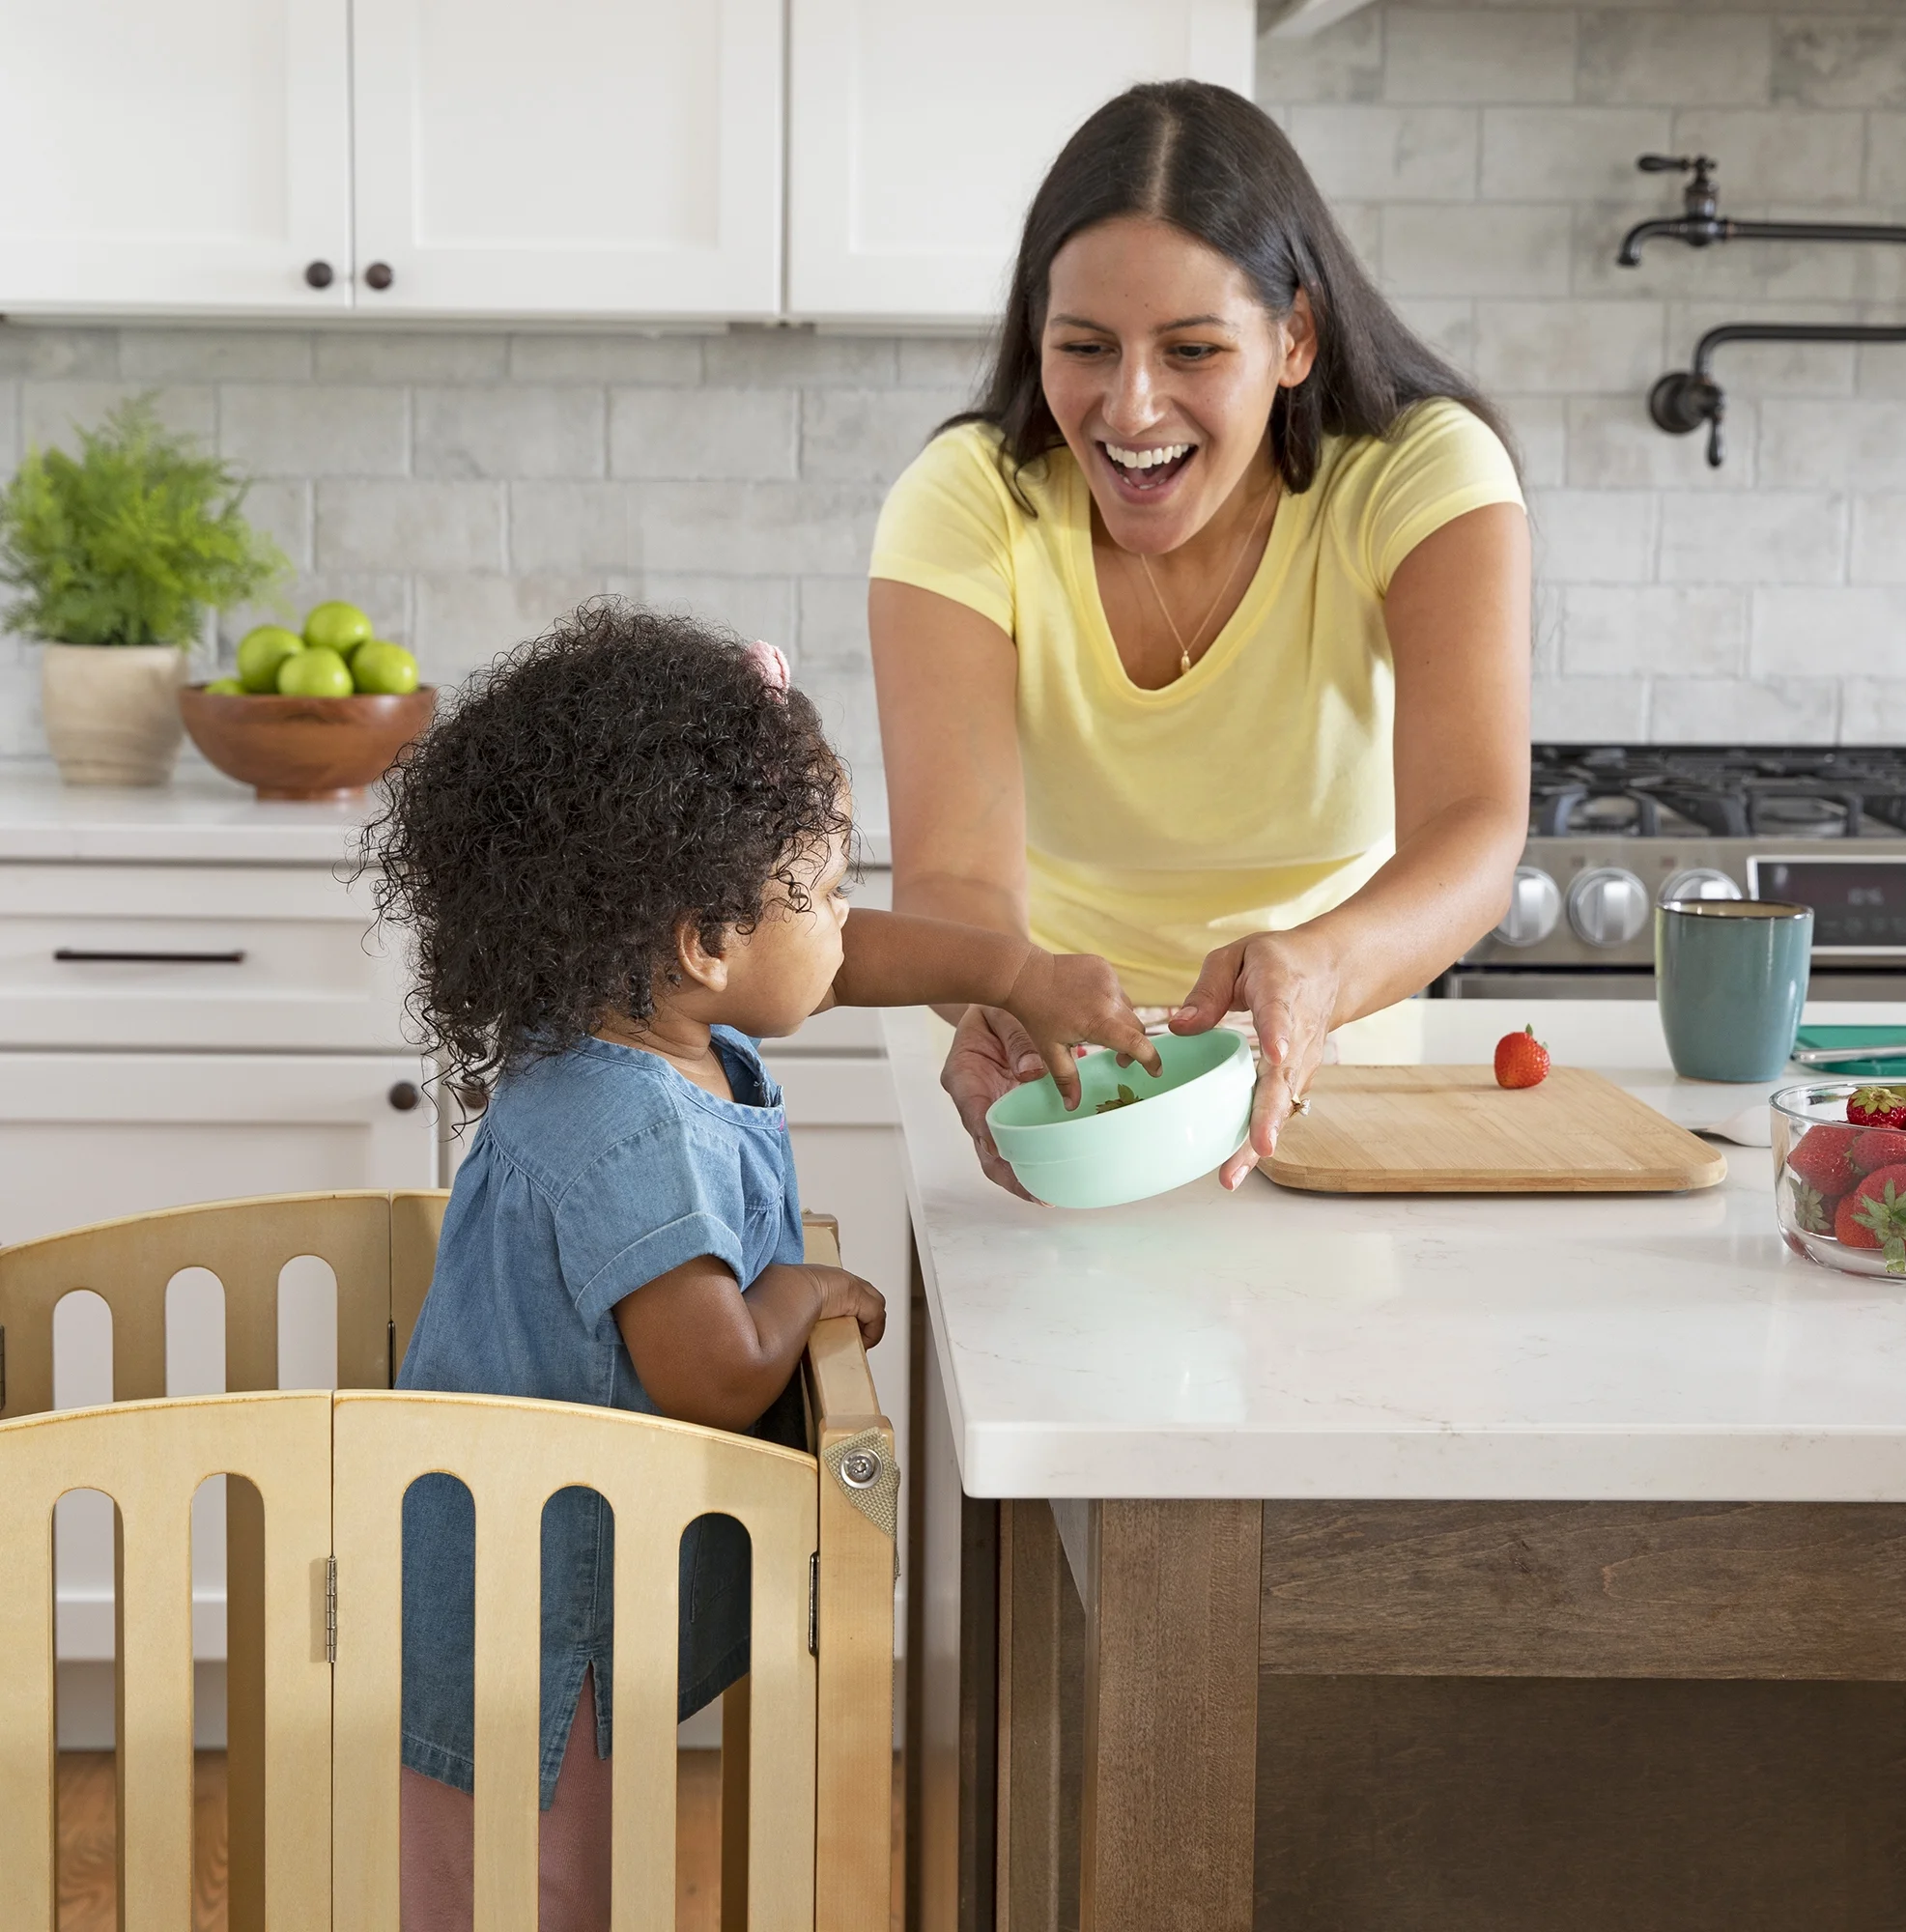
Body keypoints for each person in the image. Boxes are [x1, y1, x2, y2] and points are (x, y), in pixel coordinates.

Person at [363, 605, 1153, 1929]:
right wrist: (806, 1289)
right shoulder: (627, 1126)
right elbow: (712, 1372)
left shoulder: (636, 1017)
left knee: (529, 1865)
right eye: (829, 891)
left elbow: (840, 967)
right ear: (705, 941)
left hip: (530, 1571)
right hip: (526, 1610)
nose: (847, 923)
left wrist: (1019, 972)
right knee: (528, 1887)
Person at [869, 79, 1532, 1195]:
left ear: (1294, 337)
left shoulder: (1419, 473)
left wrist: (1318, 971)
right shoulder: (967, 499)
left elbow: (1473, 825)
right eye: (1086, 345)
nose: (1129, 407)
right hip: (1059, 1086)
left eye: (1189, 350)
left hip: (1337, 1088)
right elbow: (947, 872)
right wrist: (1003, 990)